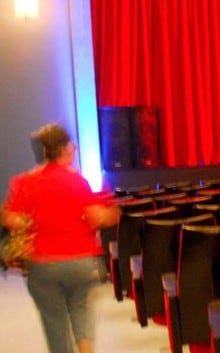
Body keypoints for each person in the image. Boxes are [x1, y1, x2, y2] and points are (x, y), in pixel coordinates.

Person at [2, 123, 120, 353]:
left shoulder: (25, 182)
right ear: (64, 148)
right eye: (72, 146)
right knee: (81, 310)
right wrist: (112, 214)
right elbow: (96, 217)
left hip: (44, 265)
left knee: (54, 323)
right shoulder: (77, 180)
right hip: (82, 263)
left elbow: (11, 219)